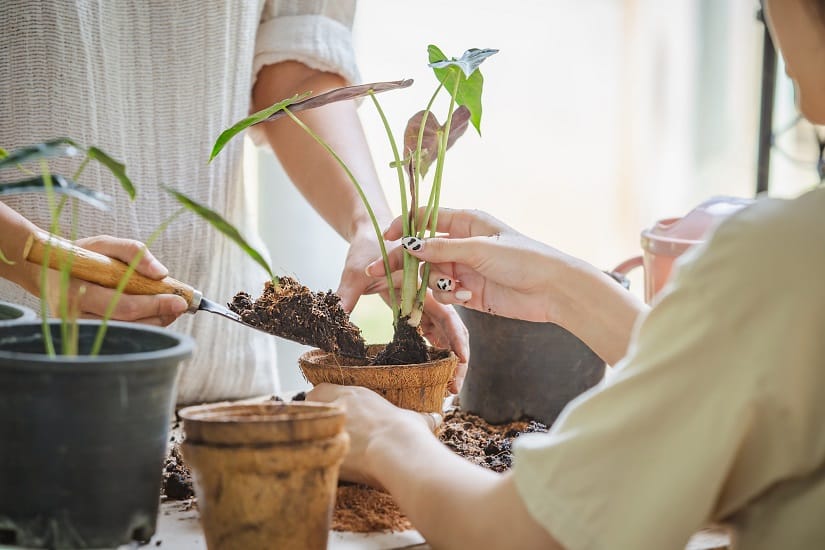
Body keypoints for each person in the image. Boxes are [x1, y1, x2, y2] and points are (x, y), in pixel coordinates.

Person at [307, 0, 825, 547]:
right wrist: (558, 286)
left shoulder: (782, 253)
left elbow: (527, 533)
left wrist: (383, 436)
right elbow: (740, 371)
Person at [0, 1, 468, 404]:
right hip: (24, 378)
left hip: (224, 382)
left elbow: (296, 65)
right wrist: (25, 254)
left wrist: (372, 227)